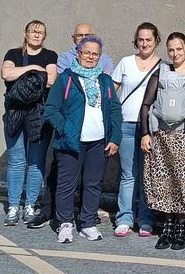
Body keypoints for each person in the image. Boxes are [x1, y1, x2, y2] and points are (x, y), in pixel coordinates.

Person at [43, 35, 122, 244]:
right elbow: (51, 109)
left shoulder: (104, 80)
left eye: (95, 53)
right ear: (78, 53)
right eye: (86, 52)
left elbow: (114, 109)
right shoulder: (66, 79)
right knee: (67, 184)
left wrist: (115, 137)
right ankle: (65, 223)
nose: (90, 57)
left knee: (93, 184)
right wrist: (66, 129)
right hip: (71, 142)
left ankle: (87, 223)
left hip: (98, 141)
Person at [140, 32, 185, 251]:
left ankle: (181, 226)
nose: (175, 54)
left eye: (179, 49)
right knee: (162, 183)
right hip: (160, 138)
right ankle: (167, 226)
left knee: (183, 183)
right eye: (171, 50)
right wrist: (145, 133)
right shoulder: (160, 72)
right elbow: (146, 104)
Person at [0, 20, 58, 226]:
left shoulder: (50, 56)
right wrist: (34, 68)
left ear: (45, 36)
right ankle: (14, 206)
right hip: (15, 113)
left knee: (36, 161)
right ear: (25, 33)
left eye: (40, 32)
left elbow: (51, 79)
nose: (36, 35)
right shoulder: (12, 54)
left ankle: (31, 205)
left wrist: (22, 71)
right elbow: (6, 74)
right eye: (32, 31)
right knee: (16, 161)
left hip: (38, 114)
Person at [111, 22, 161, 237]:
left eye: (148, 39)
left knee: (147, 175)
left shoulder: (163, 66)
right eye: (140, 39)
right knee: (128, 174)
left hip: (151, 128)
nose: (144, 44)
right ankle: (125, 218)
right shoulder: (125, 62)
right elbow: (112, 93)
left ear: (156, 41)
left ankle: (147, 220)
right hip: (126, 124)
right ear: (136, 41)